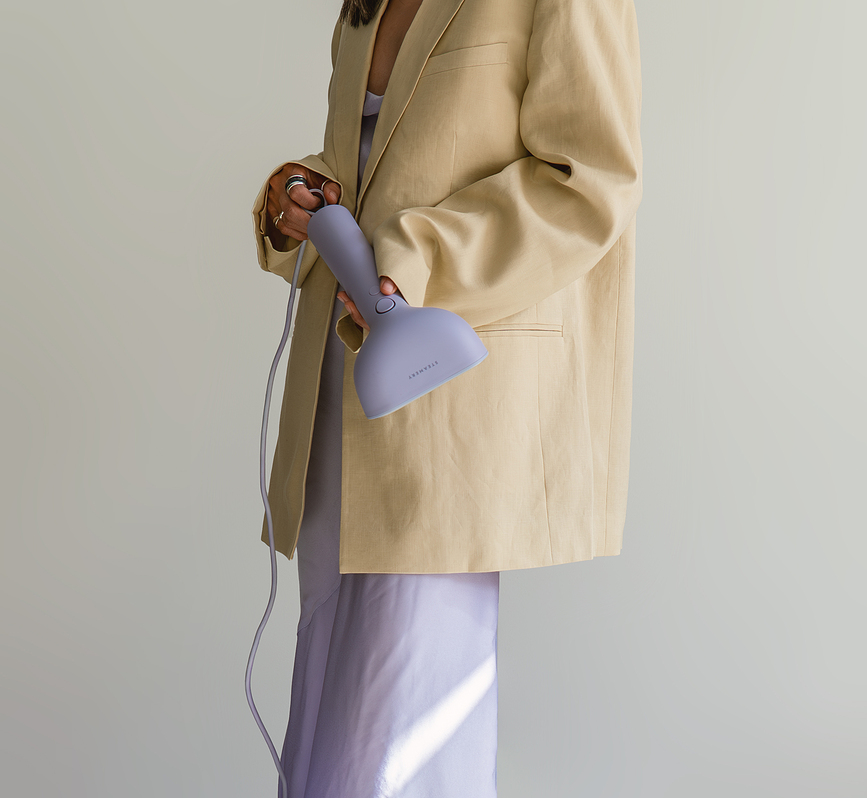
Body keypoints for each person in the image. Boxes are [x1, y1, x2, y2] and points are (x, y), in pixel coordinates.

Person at [251, 0, 643, 795]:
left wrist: (415, 258)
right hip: (340, 391)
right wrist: (298, 203)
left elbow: (590, 181)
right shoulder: (364, 7)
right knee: (328, 708)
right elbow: (375, 167)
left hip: (450, 400)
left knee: (400, 735)